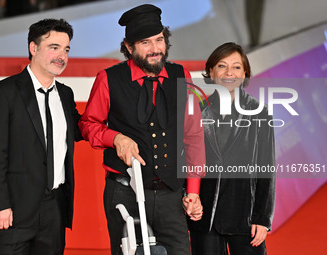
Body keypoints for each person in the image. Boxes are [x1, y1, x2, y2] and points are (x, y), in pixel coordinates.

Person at [79, 4, 205, 255]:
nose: (156, 49)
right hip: (125, 192)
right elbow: (88, 124)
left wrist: (193, 191)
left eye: (159, 40)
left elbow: (193, 135)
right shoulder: (108, 78)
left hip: (171, 195)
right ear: (128, 47)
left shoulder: (182, 75)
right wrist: (115, 138)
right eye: (145, 42)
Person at [0, 18, 83, 255]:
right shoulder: (2, 93)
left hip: (55, 210)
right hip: (13, 212)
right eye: (54, 47)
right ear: (33, 48)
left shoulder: (66, 94)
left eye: (66, 49)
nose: (62, 55)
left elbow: (82, 129)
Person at [188, 42, 276, 255]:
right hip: (205, 218)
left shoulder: (261, 113)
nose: (229, 73)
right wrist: (188, 198)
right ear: (211, 72)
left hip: (245, 217)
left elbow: (267, 168)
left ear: (245, 73)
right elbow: (187, 161)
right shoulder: (196, 112)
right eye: (222, 66)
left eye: (236, 67)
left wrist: (262, 219)